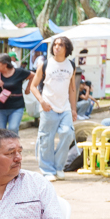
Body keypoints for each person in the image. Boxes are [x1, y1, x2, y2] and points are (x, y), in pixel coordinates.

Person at [30, 36, 78, 181]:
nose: (56, 47)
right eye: (55, 44)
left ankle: (59, 167)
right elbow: (33, 86)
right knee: (46, 139)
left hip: (65, 108)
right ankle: (47, 170)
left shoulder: (71, 65)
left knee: (67, 133)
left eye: (60, 45)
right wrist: (42, 101)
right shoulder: (45, 65)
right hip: (48, 107)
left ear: (67, 48)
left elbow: (72, 89)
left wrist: (74, 109)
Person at [0, 53, 33, 133]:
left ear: (5, 64)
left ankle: (13, 145)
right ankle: (3, 146)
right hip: (0, 108)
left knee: (13, 128)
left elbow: (33, 75)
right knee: (0, 132)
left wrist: (28, 88)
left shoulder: (19, 72)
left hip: (16, 107)